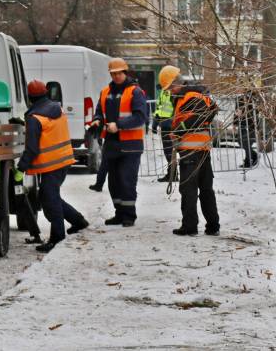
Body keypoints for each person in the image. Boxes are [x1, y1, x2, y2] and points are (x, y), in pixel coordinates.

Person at [17, 80, 88, 253]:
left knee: (49, 199)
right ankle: (78, 221)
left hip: (50, 164)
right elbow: (48, 130)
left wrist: (20, 168)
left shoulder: (34, 119)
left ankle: (57, 237)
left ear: (30, 97)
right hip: (63, 161)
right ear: (46, 93)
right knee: (50, 196)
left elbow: (32, 149)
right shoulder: (57, 109)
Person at [91, 58, 149, 227]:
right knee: (114, 182)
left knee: (126, 180)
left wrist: (119, 125)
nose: (116, 76)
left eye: (119, 73)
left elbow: (141, 117)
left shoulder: (135, 92)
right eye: (113, 73)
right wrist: (96, 121)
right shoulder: (105, 92)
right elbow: (99, 112)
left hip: (130, 145)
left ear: (125, 72)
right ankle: (119, 213)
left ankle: (129, 215)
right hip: (111, 143)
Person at [170, 77, 220, 236]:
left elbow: (199, 116)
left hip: (190, 150)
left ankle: (190, 226)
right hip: (203, 149)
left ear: (177, 84)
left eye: (170, 88)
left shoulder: (189, 97)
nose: (169, 91)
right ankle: (213, 226)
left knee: (188, 189)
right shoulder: (199, 95)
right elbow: (212, 109)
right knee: (206, 189)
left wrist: (179, 130)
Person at [153, 65, 179, 182]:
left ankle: (173, 174)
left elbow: (175, 108)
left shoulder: (173, 91)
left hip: (171, 125)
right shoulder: (164, 91)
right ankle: (172, 173)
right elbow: (160, 107)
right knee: (168, 151)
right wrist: (155, 121)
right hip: (165, 124)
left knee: (171, 151)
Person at [237, 88, 260, 168]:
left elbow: (256, 111)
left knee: (246, 142)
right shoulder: (239, 99)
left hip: (251, 124)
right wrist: (234, 123)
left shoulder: (253, 99)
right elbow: (236, 111)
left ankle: (248, 160)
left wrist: (244, 110)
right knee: (240, 141)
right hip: (242, 123)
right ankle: (254, 155)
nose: (237, 89)